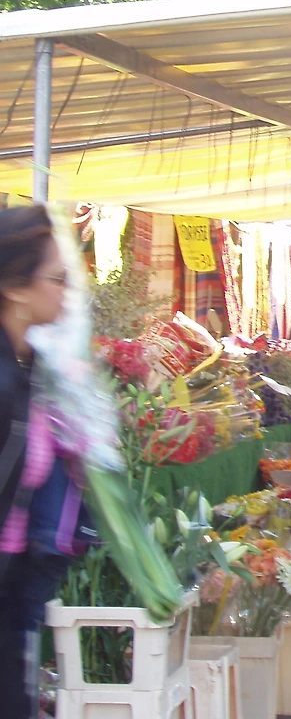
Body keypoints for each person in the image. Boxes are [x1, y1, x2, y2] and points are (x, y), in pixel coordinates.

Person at [0, 207, 71, 719]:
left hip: (15, 584)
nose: (65, 291)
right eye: (58, 279)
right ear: (16, 288)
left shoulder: (28, 362)